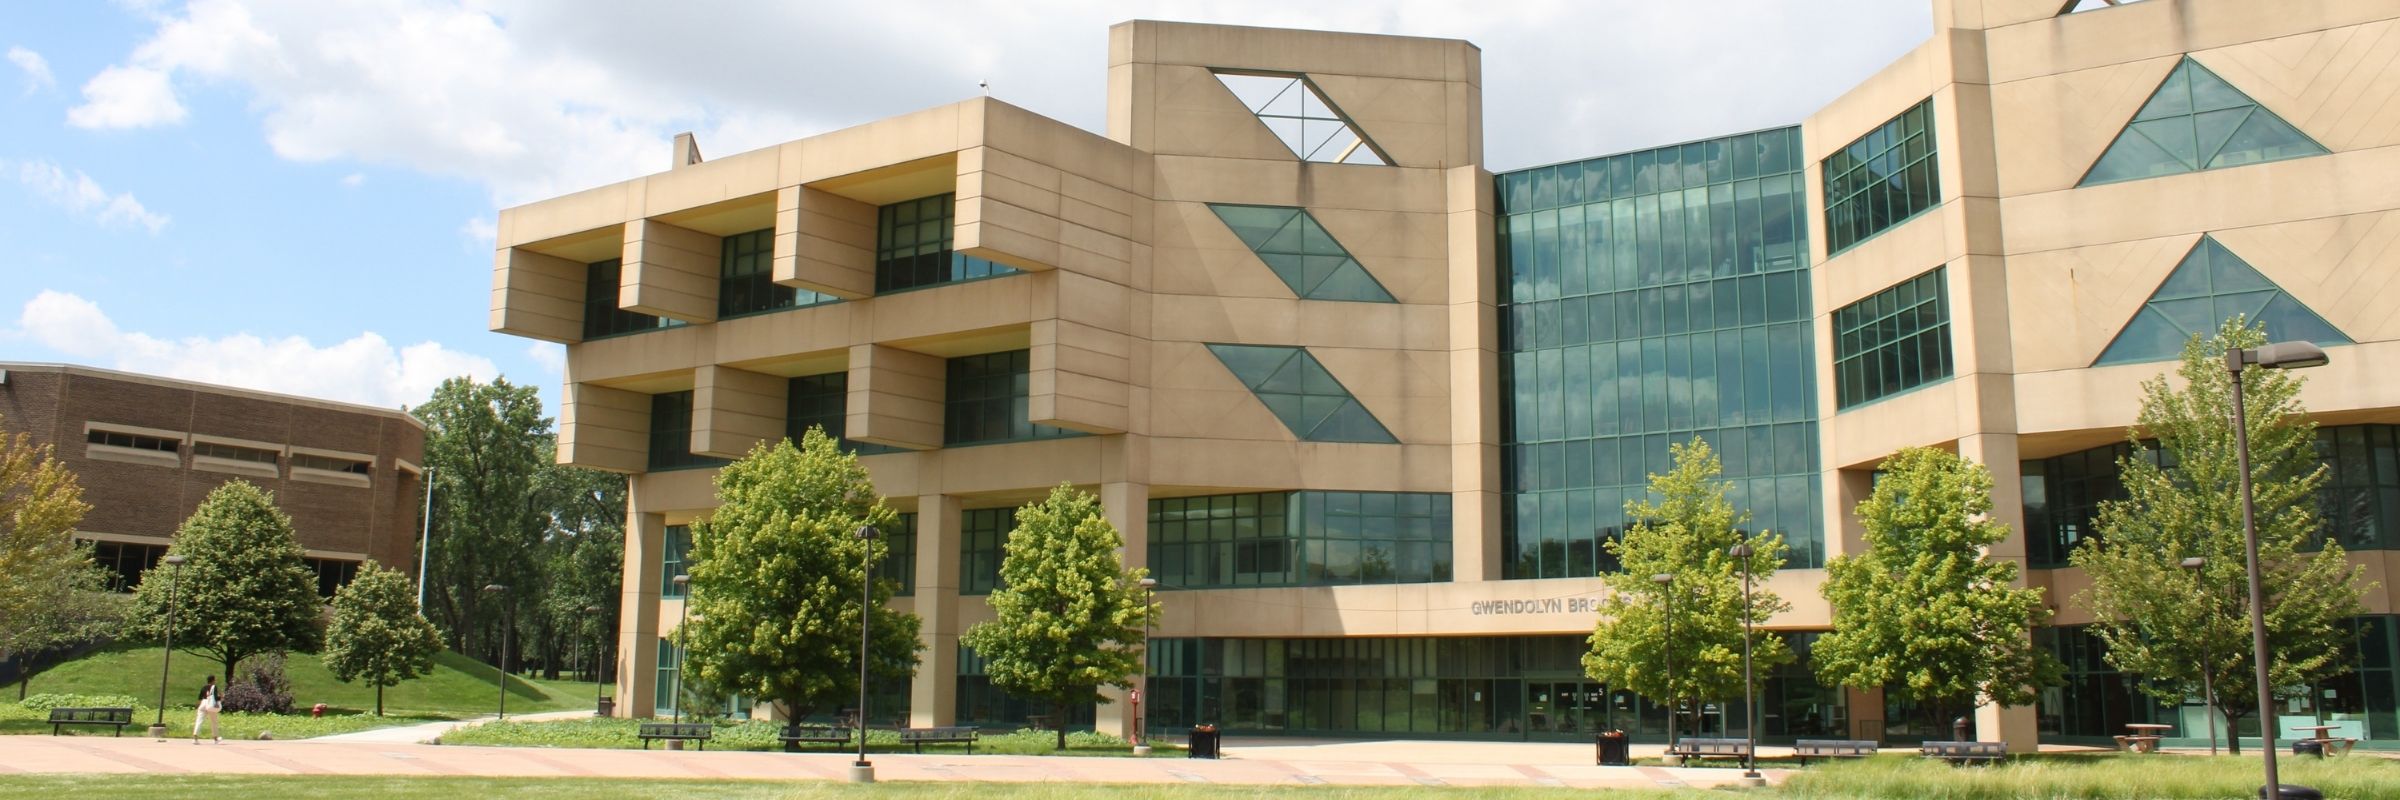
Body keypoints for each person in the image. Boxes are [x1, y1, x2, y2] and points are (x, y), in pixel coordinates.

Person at [193, 675, 222, 744]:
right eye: (215, 680)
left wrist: (197, 706)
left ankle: (195, 737)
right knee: (214, 721)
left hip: (203, 703)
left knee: (199, 720)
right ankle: (215, 739)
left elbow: (200, 697)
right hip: (211, 704)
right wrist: (221, 697)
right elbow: (215, 697)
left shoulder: (203, 687)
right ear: (213, 680)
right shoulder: (214, 687)